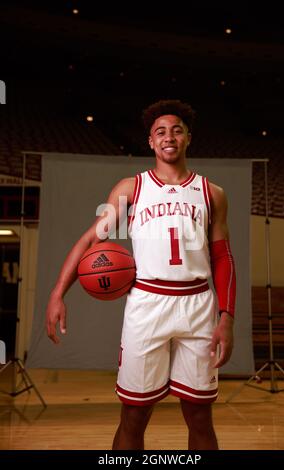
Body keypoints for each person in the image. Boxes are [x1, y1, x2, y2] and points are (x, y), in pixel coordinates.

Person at [46, 99, 236, 450]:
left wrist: (227, 317)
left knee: (199, 415)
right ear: (150, 141)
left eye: (176, 130)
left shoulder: (212, 194)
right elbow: (91, 239)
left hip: (198, 306)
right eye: (160, 131)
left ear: (188, 138)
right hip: (147, 305)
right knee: (134, 414)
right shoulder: (130, 189)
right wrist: (59, 293)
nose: (169, 137)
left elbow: (222, 257)